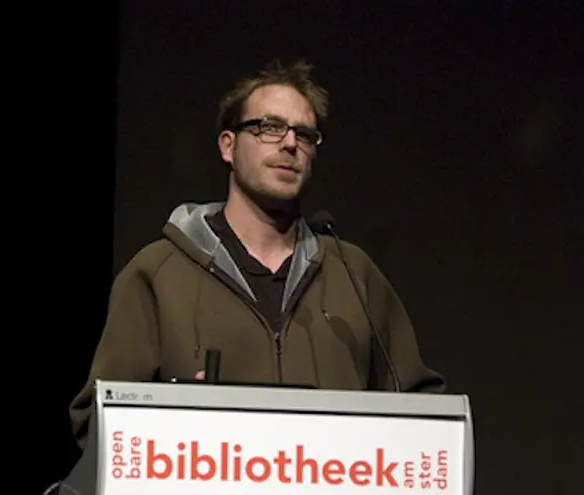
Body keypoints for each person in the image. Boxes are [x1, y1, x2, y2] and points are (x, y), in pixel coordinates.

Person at [68, 59, 446, 450]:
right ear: (227, 145)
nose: (290, 144)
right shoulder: (158, 273)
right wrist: (174, 422)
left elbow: (425, 416)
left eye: (305, 134)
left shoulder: (353, 274)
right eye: (269, 127)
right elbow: (99, 423)